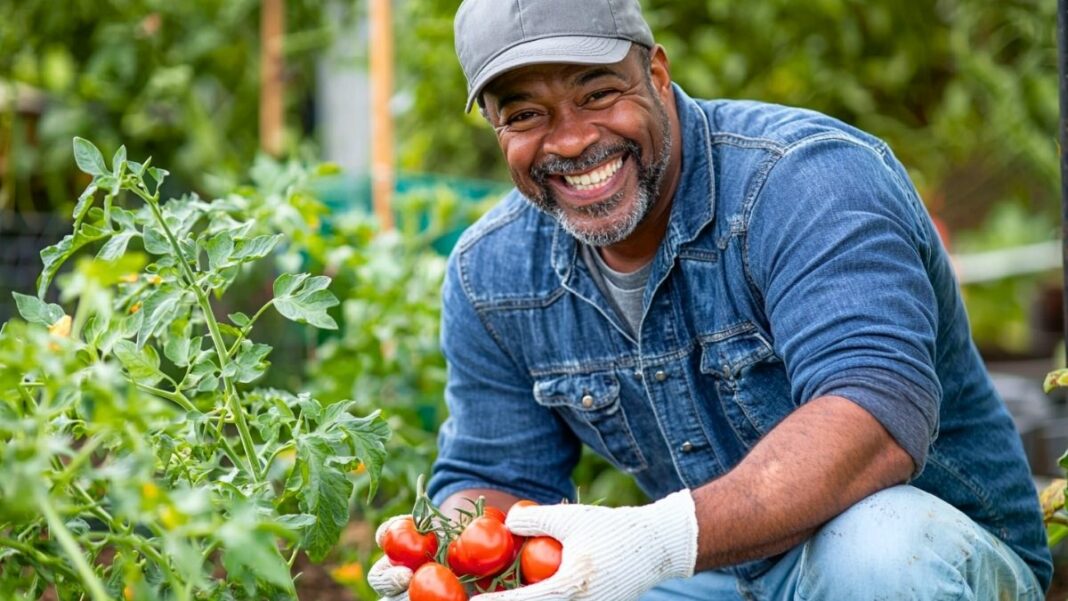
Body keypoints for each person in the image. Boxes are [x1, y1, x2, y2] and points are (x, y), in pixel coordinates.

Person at [369, 0, 1052, 599]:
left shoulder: (805, 184)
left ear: (657, 75)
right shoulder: (492, 272)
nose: (572, 139)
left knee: (878, 549)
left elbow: (871, 415)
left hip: (928, 558)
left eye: (600, 93)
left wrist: (660, 538)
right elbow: (494, 473)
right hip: (720, 576)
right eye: (524, 114)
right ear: (496, 129)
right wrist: (449, 561)